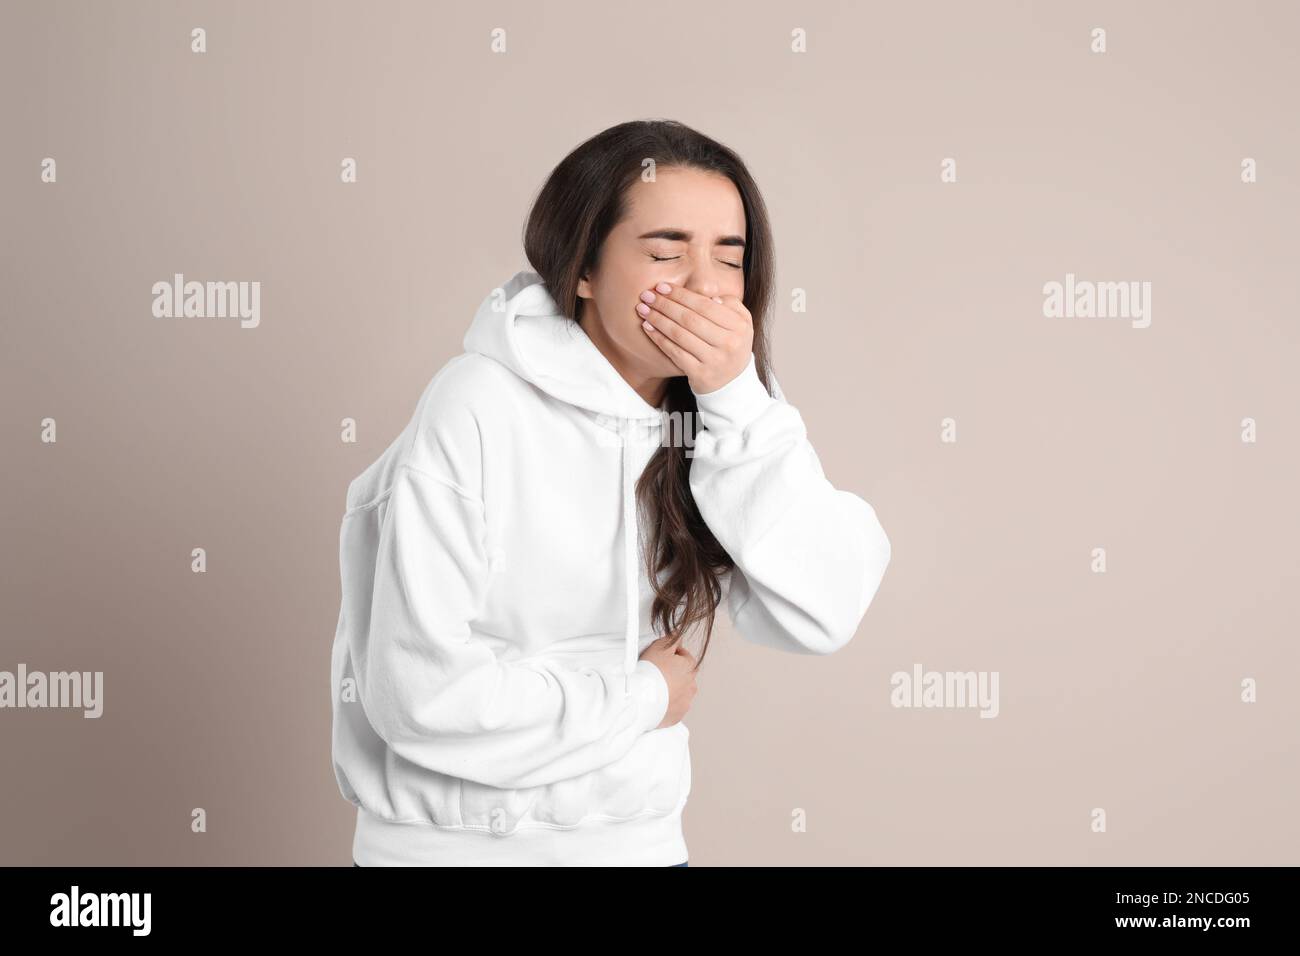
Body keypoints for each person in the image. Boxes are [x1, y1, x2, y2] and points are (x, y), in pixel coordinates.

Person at [330, 119, 892, 866]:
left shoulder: (722, 413)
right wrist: (642, 698)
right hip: (445, 854)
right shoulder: (475, 405)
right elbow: (420, 696)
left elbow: (826, 609)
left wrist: (740, 401)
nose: (704, 286)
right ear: (583, 268)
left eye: (730, 259)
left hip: (641, 850)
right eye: (665, 253)